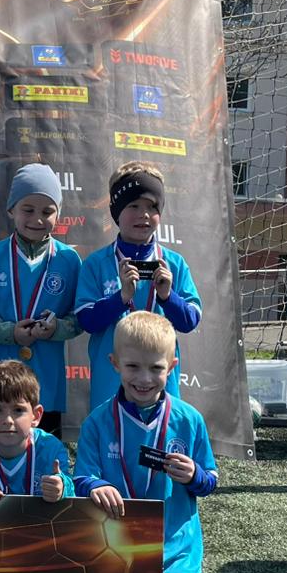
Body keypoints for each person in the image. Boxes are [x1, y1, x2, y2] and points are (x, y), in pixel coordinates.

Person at [74, 310, 216, 573]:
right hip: (113, 551)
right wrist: (95, 486)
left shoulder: (189, 420)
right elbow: (80, 478)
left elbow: (210, 481)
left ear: (172, 366)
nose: (144, 378)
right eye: (133, 367)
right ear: (114, 363)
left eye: (156, 368)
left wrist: (194, 475)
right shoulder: (97, 422)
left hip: (173, 555)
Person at [74, 160, 201, 409]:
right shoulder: (96, 264)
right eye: (133, 205)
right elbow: (86, 321)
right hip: (110, 387)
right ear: (116, 212)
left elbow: (190, 320)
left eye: (152, 207)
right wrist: (120, 298)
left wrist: (168, 297)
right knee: (113, 432)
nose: (143, 214)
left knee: (161, 432)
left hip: (161, 386)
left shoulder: (174, 264)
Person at [0, 163, 81, 438]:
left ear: (58, 213)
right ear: (12, 210)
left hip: (45, 385)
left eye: (47, 211)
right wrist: (10, 333)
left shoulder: (68, 260)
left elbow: (81, 317)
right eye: (28, 210)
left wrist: (56, 329)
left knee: (43, 458)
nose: (37, 219)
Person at [0, 358, 74, 501]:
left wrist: (61, 489)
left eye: (18, 410)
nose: (8, 420)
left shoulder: (51, 449)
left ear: (36, 416)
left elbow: (71, 492)